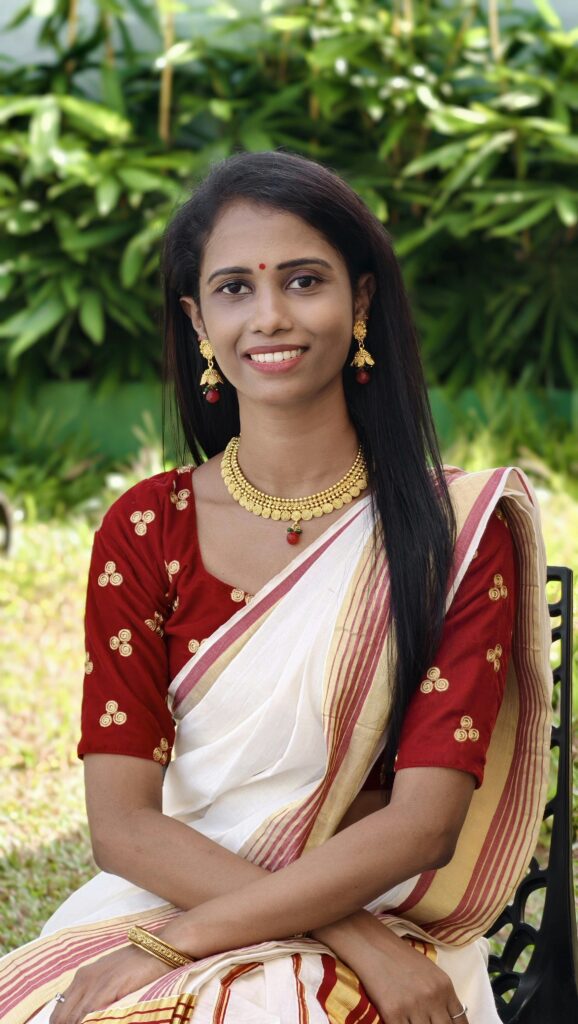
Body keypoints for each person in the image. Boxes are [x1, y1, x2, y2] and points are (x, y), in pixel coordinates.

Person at [0, 151, 552, 1024]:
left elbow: (422, 829)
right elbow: (123, 827)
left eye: (302, 280)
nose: (270, 316)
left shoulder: (452, 531)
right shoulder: (149, 528)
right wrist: (337, 939)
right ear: (196, 318)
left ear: (361, 301)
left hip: (388, 918)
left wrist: (353, 941)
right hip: (173, 898)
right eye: (233, 289)